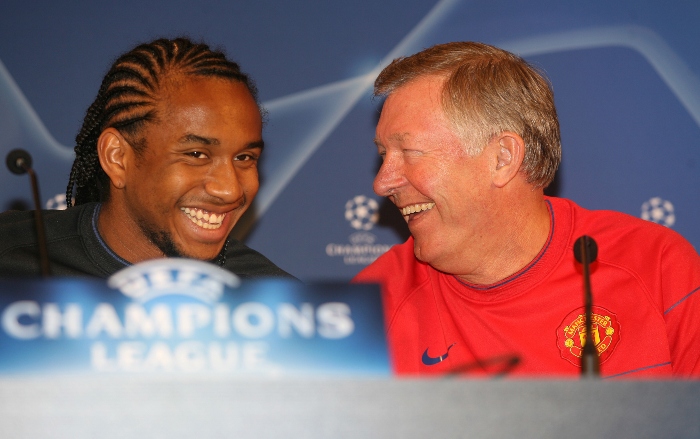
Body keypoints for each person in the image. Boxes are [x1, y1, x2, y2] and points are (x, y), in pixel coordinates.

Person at [353, 42, 700, 378]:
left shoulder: (658, 269)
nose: (382, 183)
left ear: (502, 158)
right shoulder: (372, 304)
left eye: (409, 152)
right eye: (384, 155)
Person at [0, 37, 293, 280]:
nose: (230, 189)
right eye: (196, 154)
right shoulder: (10, 256)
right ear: (117, 157)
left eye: (244, 157)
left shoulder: (272, 303)